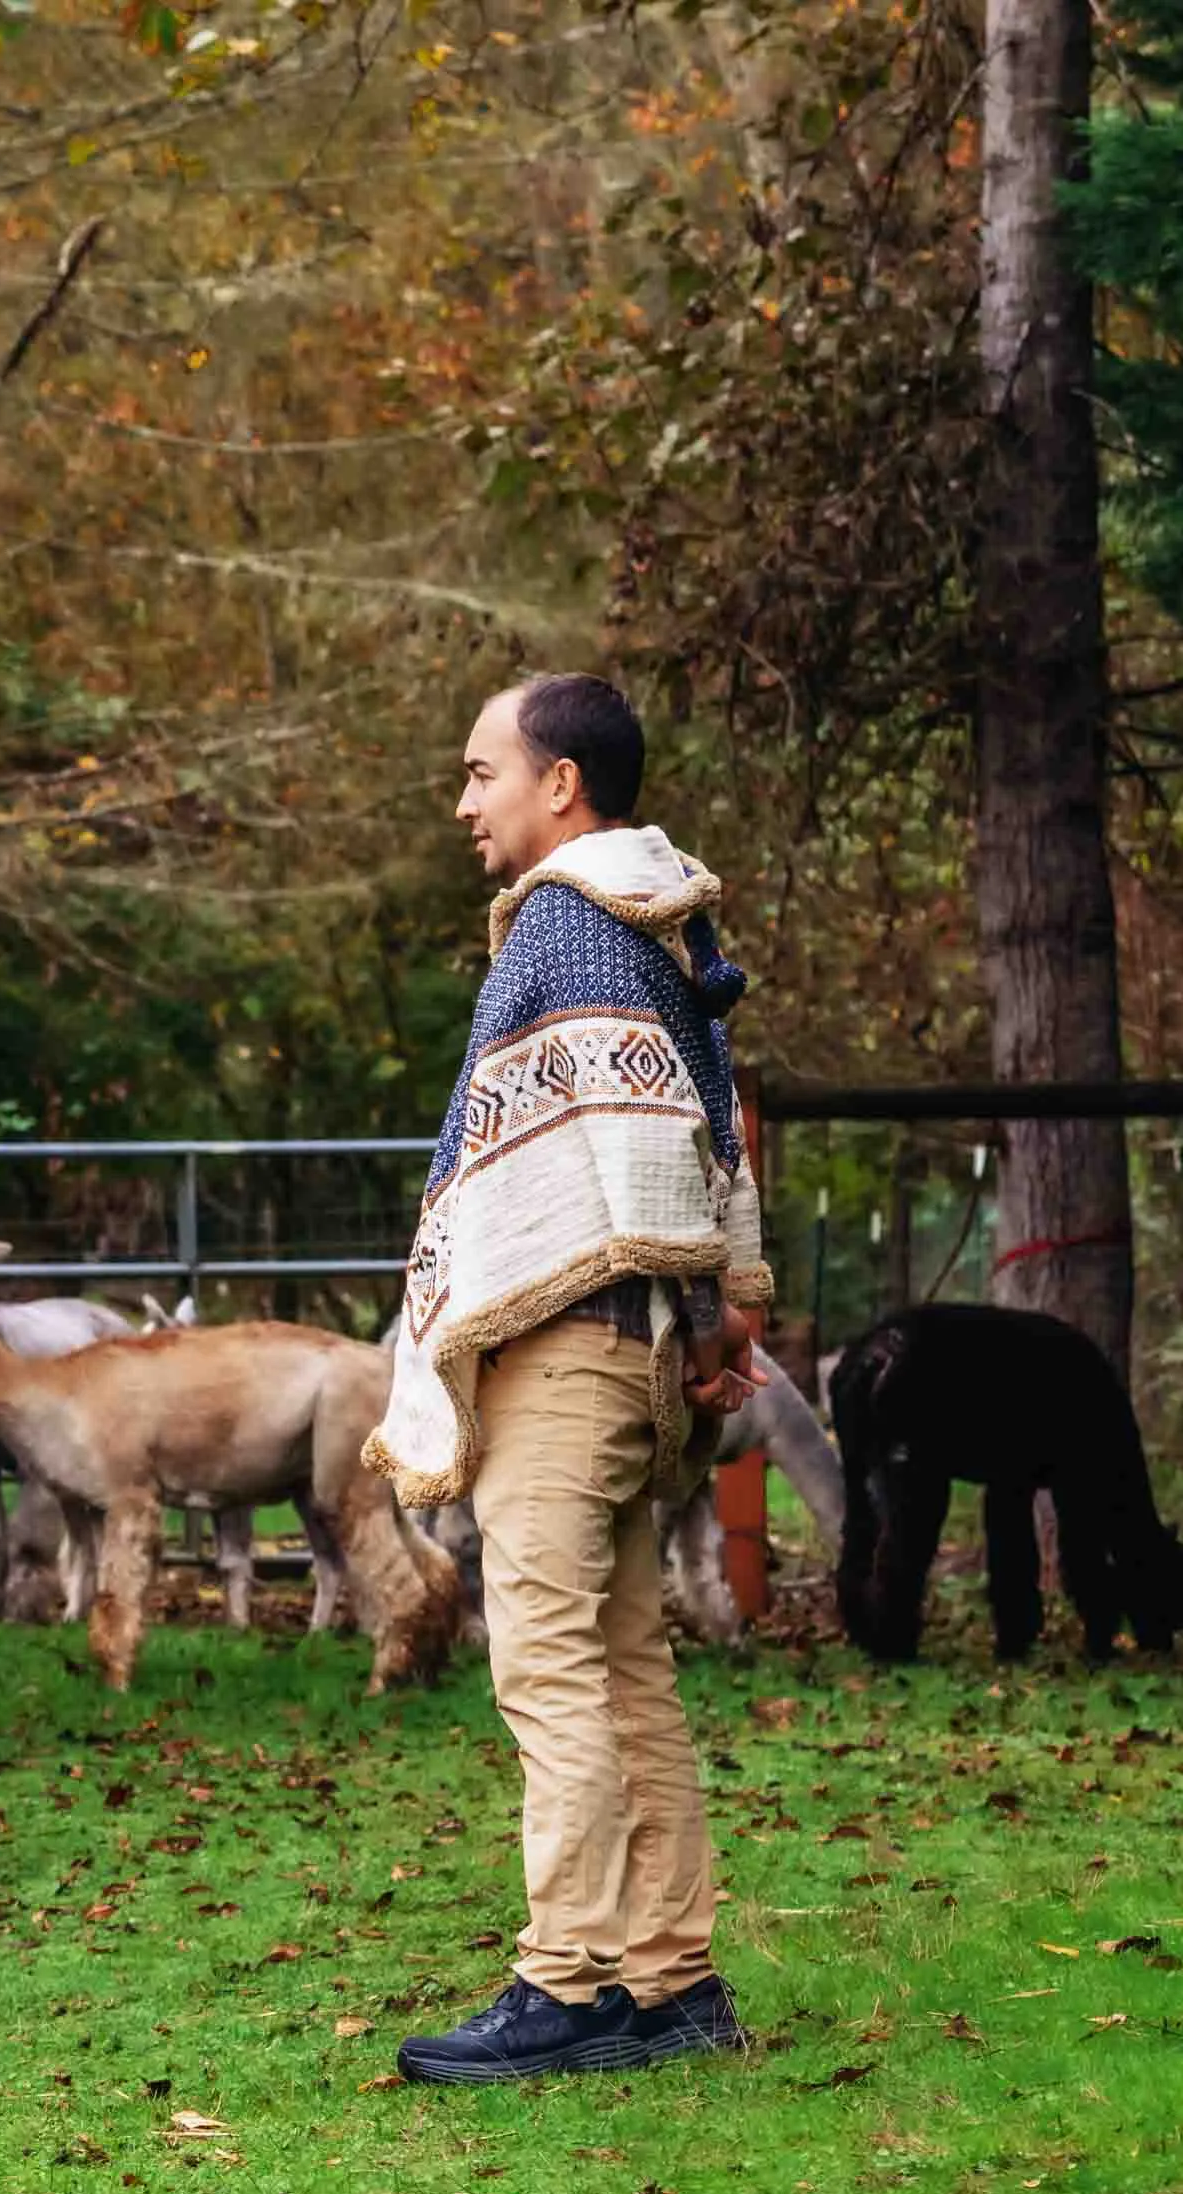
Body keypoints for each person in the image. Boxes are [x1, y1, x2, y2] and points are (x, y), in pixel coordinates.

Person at [370, 674, 773, 2084]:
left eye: (482, 772)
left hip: (567, 1354)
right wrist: (713, 1310)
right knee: (625, 1663)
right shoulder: (659, 922)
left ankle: (573, 1981)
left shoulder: (568, 917)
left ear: (560, 785)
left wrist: (682, 1281)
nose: (465, 801)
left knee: (547, 1665)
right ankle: (673, 1979)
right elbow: (714, 1120)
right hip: (636, 1348)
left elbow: (638, 1142)